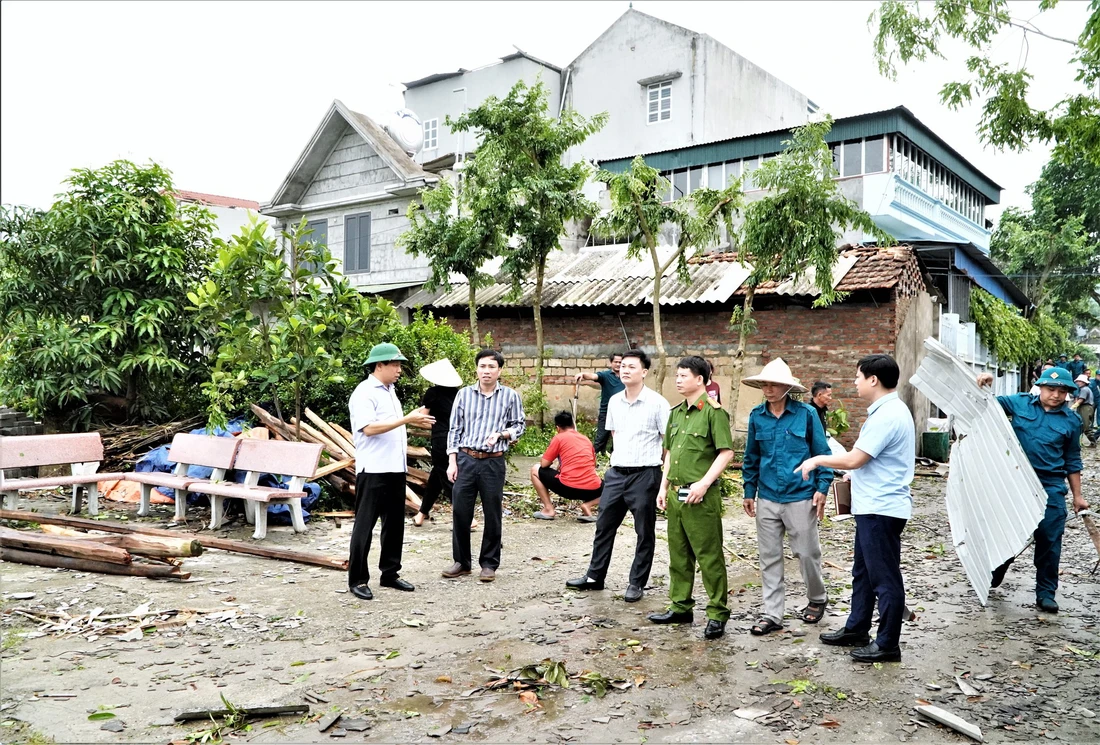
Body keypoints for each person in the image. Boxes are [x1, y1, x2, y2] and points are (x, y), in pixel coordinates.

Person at [794, 354, 915, 663]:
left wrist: (817, 459)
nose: (855, 382)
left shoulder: (889, 414)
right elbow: (867, 461)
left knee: (885, 577)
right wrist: (854, 472)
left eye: (859, 377)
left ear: (873, 379)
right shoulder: (885, 412)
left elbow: (855, 458)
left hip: (882, 509)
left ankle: (888, 642)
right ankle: (857, 627)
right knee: (862, 572)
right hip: (872, 506)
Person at [978, 366, 1086, 612]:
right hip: (1016, 481)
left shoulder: (1072, 421)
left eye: (1062, 391)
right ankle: (998, 566)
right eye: (1051, 389)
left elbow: (1072, 460)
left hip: (1050, 485)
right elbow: (986, 404)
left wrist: (1078, 496)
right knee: (1007, 531)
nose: (1056, 395)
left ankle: (1046, 593)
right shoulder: (1019, 403)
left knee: (1049, 538)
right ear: (1040, 387)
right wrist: (985, 382)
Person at [566, 349, 670, 602]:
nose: (625, 370)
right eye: (623, 366)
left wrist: (663, 479)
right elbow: (614, 435)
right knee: (603, 527)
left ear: (644, 372)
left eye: (632, 367)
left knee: (643, 531)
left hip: (645, 474)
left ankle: (636, 582)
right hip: (616, 474)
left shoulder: (658, 403)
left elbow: (668, 443)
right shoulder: (614, 401)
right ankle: (595, 576)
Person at [741, 359, 833, 636]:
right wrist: (749, 490)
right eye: (764, 384)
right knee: (769, 557)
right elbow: (751, 457)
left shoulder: (806, 414)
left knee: (806, 553)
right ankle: (772, 613)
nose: (768, 389)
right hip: (767, 496)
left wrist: (822, 487)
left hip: (801, 495)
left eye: (773, 384)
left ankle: (817, 598)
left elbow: (822, 453)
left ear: (787, 387)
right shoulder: (757, 416)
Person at [650, 356, 735, 640]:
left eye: (684, 375)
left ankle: (717, 613)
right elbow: (670, 453)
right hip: (675, 493)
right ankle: (680, 606)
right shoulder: (675, 413)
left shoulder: (714, 412)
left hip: (700, 495)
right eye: (677, 375)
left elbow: (726, 452)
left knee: (709, 556)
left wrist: (704, 483)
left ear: (701, 379)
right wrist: (663, 488)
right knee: (678, 555)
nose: (678, 380)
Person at [347, 343, 435, 601]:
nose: (399, 370)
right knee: (365, 526)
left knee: (394, 524)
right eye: (394, 365)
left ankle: (390, 573)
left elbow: (393, 427)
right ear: (379, 365)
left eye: (399, 365)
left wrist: (410, 419)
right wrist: (407, 419)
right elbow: (369, 429)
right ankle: (358, 579)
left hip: (394, 468)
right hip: (373, 469)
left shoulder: (390, 391)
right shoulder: (364, 393)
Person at [443, 349, 526, 583]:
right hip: (466, 459)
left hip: (493, 461)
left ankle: (489, 564)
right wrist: (452, 461)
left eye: (491, 367)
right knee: (460, 511)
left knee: (492, 512)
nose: (486, 371)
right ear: (476, 369)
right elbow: (454, 430)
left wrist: (502, 434)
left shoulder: (510, 396)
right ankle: (461, 562)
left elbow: (519, 425)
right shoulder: (463, 395)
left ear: (499, 370)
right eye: (482, 366)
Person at [414, 359, 463, 528]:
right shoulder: (459, 394)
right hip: (457, 439)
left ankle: (466, 517)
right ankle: (421, 514)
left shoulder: (432, 393)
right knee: (437, 478)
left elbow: (422, 419)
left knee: (449, 480)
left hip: (441, 441)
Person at [531, 411, 604, 521]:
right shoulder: (586, 439)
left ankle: (549, 509)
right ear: (573, 425)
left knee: (535, 469)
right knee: (611, 486)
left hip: (568, 488)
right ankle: (588, 505)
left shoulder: (559, 438)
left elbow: (544, 464)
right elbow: (593, 464)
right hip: (593, 489)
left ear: (557, 428)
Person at [575, 353, 625, 454]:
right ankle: (592, 458)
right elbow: (594, 376)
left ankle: (614, 460)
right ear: (611, 363)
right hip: (606, 412)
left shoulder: (627, 376)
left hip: (623, 413)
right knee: (601, 438)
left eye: (621, 362)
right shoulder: (605, 375)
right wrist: (583, 374)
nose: (618, 364)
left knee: (619, 439)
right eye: (616, 362)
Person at [1074, 374, 1098, 448]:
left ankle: (1093, 442)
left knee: (1086, 427)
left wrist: (1073, 406)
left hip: (1085, 408)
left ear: (1083, 382)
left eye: (1079, 381)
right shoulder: (1083, 389)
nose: (1077, 382)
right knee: (1081, 426)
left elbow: (1081, 400)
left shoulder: (1084, 389)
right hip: (1085, 407)